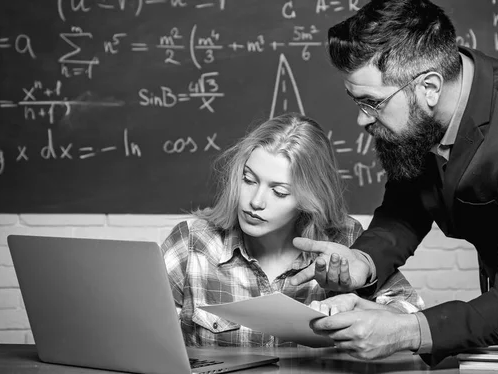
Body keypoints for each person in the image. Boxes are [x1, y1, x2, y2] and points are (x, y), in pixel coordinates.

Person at [288, 0, 498, 365]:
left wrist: (404, 330)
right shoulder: (420, 112)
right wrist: (362, 261)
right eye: (356, 101)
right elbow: (406, 206)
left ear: (430, 86)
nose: (363, 121)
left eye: (372, 103)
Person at [160, 113, 424, 347]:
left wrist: (361, 310)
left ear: (308, 199)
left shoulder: (346, 243)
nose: (256, 202)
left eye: (279, 191)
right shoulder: (194, 241)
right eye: (248, 180)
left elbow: (411, 314)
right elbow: (140, 326)